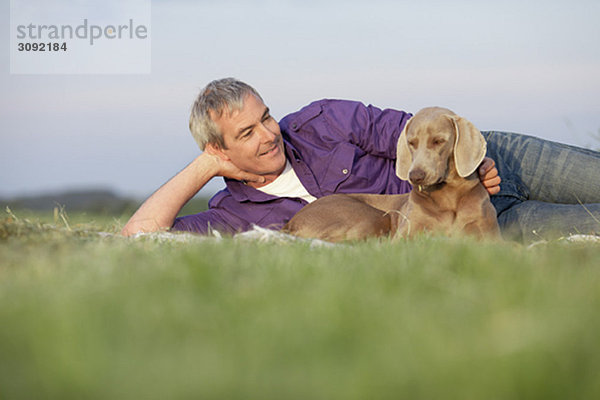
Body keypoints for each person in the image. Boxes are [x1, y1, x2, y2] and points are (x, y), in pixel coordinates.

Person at [121, 78, 600, 242]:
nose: (270, 134)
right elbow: (140, 236)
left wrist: (477, 160)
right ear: (220, 150)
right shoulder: (232, 214)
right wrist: (202, 167)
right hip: (477, 228)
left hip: (495, 161)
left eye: (265, 116)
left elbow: (410, 131)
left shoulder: (321, 120)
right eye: (248, 133)